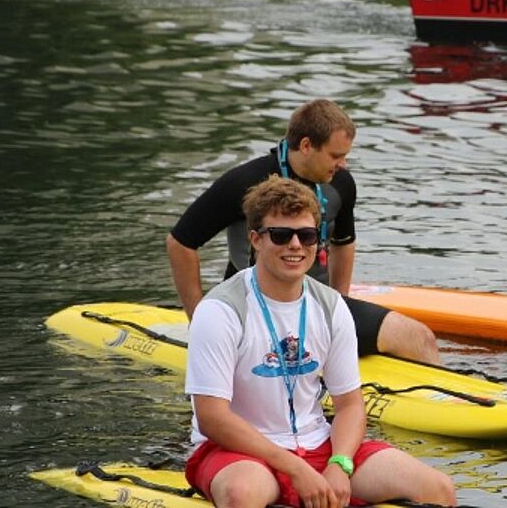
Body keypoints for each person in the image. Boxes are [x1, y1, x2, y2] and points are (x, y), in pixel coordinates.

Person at [184, 176, 456, 508]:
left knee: (439, 489)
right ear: (255, 239)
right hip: (240, 453)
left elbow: (351, 406)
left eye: (307, 235)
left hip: (318, 445)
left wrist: (340, 465)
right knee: (243, 495)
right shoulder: (220, 311)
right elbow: (212, 418)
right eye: (281, 235)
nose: (295, 245)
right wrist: (296, 469)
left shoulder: (331, 306)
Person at [166, 99, 441, 365]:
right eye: (335, 155)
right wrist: (199, 321)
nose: (343, 164)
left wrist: (339, 308)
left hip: (315, 305)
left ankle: (447, 405)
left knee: (420, 338)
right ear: (307, 145)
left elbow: (343, 243)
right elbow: (181, 242)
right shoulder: (244, 182)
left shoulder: (341, 183)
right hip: (255, 312)